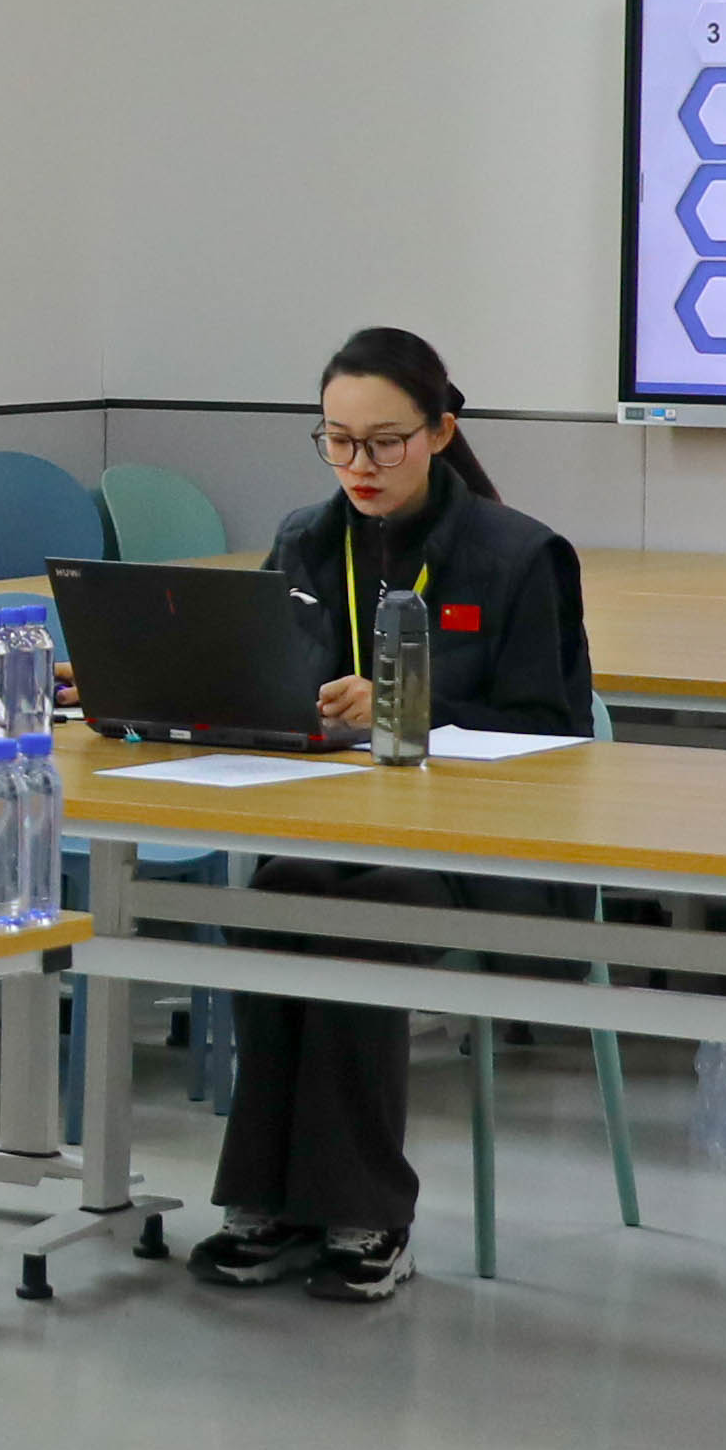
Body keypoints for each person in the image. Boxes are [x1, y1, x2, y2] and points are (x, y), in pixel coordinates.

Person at [188, 326, 599, 1306]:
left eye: (384, 442)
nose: (359, 466)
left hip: (483, 849)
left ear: (441, 431)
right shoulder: (305, 539)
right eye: (337, 441)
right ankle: (267, 1202)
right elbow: (266, 682)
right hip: (339, 830)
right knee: (276, 901)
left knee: (359, 921)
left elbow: (558, 736)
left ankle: (365, 1214)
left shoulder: (520, 555)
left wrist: (416, 708)